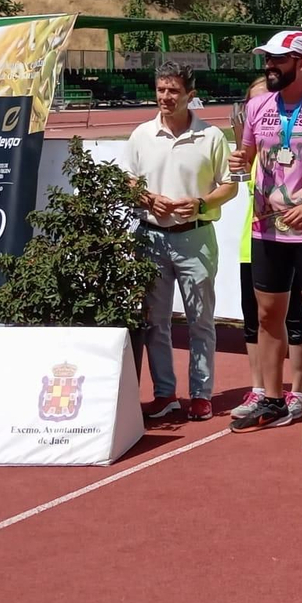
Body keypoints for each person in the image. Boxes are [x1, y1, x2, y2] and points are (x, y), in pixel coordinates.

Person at [226, 32, 302, 432]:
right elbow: (248, 159)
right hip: (266, 230)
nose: (269, 66)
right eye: (267, 59)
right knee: (268, 315)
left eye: (278, 60)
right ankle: (271, 399)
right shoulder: (257, 106)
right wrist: (241, 159)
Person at [124, 62, 237, 423]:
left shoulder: (212, 136)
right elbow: (127, 181)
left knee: (200, 320)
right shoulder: (141, 134)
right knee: (155, 322)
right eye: (160, 90)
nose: (165, 97)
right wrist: (146, 198)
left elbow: (230, 184)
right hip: (151, 237)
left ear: (191, 94)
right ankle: (164, 394)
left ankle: (202, 394)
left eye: (173, 91)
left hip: (196, 239)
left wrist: (202, 203)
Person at [231, 78, 302, 422]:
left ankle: (298, 391)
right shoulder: (251, 151)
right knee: (255, 321)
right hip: (254, 242)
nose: (264, 109)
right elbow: (239, 177)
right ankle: (261, 389)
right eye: (256, 103)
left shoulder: (291, 147)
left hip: (292, 239)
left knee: (294, 319)